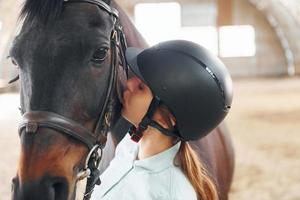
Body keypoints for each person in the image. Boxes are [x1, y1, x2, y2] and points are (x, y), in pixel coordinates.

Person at [91, 40, 233, 200]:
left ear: (168, 119)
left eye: (141, 88)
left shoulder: (172, 194)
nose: (129, 83)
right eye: (134, 77)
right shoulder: (130, 145)